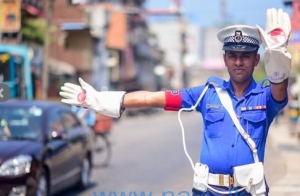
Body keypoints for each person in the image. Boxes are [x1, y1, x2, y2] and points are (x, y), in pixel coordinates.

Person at [59, 8, 291, 196]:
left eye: (245, 56)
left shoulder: (264, 97)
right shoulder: (207, 94)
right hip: (208, 192)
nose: (238, 62)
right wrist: (101, 100)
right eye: (233, 55)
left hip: (248, 192)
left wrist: (279, 58)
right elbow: (153, 98)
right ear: (225, 59)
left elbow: (279, 89)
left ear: (256, 60)